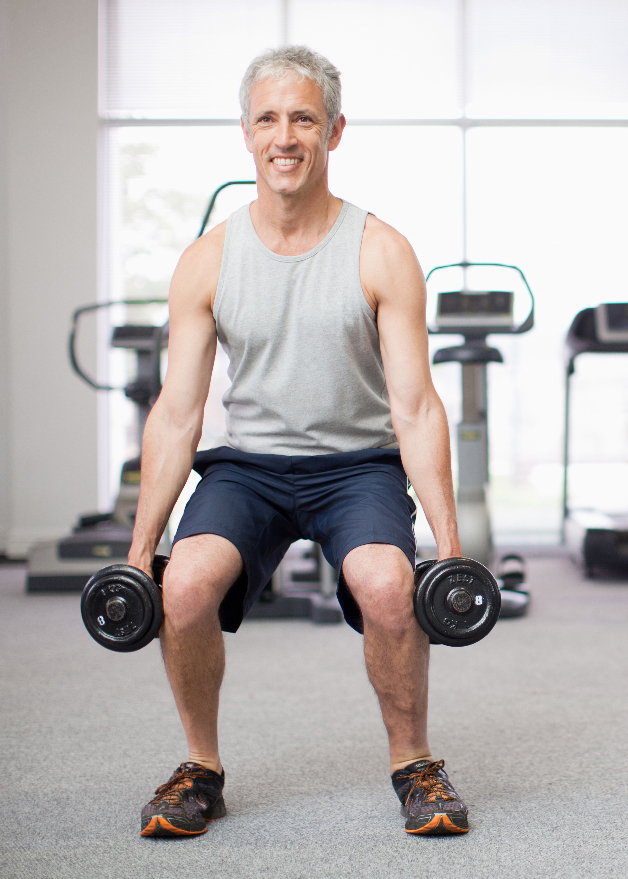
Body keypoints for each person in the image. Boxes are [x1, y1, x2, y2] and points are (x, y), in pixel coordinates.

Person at [127, 45, 470, 838]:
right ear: (246, 132)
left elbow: (416, 408)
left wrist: (447, 550)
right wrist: (139, 549)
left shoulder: (381, 249)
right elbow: (176, 413)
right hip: (247, 467)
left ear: (335, 132)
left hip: (357, 464)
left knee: (389, 587)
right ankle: (200, 768)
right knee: (181, 589)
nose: (286, 136)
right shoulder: (207, 260)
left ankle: (414, 761)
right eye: (270, 119)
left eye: (304, 118)